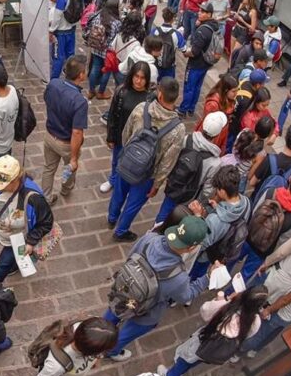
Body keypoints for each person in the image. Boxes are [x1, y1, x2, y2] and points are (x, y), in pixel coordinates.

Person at [103, 216, 213, 362]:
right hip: (147, 312)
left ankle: (101, 332)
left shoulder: (150, 238)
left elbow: (130, 257)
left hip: (124, 290)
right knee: (128, 332)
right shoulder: (178, 277)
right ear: (191, 247)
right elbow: (186, 296)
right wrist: (207, 278)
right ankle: (111, 351)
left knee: (113, 312)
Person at [108, 77, 185, 242]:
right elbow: (167, 163)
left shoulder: (141, 108)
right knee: (133, 205)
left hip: (127, 162)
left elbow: (125, 134)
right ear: (176, 97)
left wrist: (127, 155)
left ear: (160, 94)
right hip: (147, 175)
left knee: (118, 193)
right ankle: (121, 231)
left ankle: (112, 217)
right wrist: (157, 184)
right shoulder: (178, 129)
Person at [158, 287, 268, 376]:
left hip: (205, 339)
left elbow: (204, 311)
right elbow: (248, 335)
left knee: (187, 358)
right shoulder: (255, 321)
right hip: (217, 350)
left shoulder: (227, 306)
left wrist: (220, 300)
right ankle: (180, 372)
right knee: (198, 359)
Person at [0, 155, 53, 281]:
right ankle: (14, 265)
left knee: (3, 264)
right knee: (8, 261)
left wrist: (31, 241)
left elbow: (46, 222)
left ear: (16, 179)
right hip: (2, 233)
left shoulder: (34, 199)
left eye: (4, 185)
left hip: (19, 239)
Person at [230, 165, 291, 287]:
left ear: (289, 179)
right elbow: (283, 241)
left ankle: (217, 280)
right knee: (244, 276)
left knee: (231, 258)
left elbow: (256, 210)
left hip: (248, 235)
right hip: (263, 250)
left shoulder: (271, 191)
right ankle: (227, 297)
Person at [28, 318, 119, 376]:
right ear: (89, 351)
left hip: (68, 375)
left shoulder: (88, 329)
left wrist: (97, 359)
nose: (103, 353)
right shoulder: (56, 366)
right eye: (103, 350)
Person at [155, 111, 227, 225]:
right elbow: (207, 190)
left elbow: (174, 158)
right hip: (190, 196)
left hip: (175, 185)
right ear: (217, 134)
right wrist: (199, 203)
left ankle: (155, 230)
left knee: (165, 210)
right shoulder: (215, 162)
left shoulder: (187, 139)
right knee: (179, 220)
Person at [187, 165, 251, 280]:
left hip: (205, 256)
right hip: (222, 251)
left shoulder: (215, 220)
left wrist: (198, 216)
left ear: (222, 191)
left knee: (193, 275)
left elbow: (200, 244)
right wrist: (219, 207)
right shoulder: (245, 202)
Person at [41, 55, 88, 205]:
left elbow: (46, 100)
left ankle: (46, 197)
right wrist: (74, 158)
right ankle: (66, 189)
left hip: (49, 136)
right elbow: (77, 132)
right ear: (81, 75)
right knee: (70, 167)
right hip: (66, 143)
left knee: (48, 168)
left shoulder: (53, 83)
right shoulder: (79, 101)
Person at [100, 62, 152, 196]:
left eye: (142, 78)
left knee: (132, 164)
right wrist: (110, 136)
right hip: (120, 135)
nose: (138, 81)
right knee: (116, 160)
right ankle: (113, 180)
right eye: (136, 76)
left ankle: (126, 185)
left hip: (138, 140)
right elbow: (112, 115)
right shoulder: (122, 91)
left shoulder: (150, 97)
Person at [177, 2, 221, 117]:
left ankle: (183, 109)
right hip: (206, 63)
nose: (199, 13)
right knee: (197, 87)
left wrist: (184, 52)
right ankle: (191, 108)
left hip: (196, 63)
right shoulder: (213, 26)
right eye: (200, 10)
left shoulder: (202, 31)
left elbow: (194, 52)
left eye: (203, 12)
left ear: (209, 14)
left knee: (189, 87)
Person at [249, 122, 291, 196]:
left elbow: (252, 182)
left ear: (285, 137)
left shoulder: (269, 159)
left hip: (259, 199)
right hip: (276, 204)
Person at [83, 0, 122, 99]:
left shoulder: (97, 16)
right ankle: (100, 92)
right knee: (106, 71)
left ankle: (91, 91)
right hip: (108, 51)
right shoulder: (116, 22)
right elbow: (116, 38)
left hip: (96, 47)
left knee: (95, 68)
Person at [49, 0, 85, 80]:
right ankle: (71, 77)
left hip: (60, 31)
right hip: (72, 28)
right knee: (70, 55)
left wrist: (51, 30)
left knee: (58, 57)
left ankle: (54, 80)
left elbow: (58, 15)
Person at [225, 68, 268, 155]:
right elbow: (243, 117)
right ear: (257, 85)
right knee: (229, 146)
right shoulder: (248, 99)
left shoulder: (245, 83)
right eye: (263, 83)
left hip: (230, 117)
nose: (264, 85)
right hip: (234, 125)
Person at [194, 74, 238, 153]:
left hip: (221, 133)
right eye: (233, 91)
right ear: (226, 90)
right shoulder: (213, 104)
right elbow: (209, 126)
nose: (236, 93)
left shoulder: (227, 99)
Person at [151, 7, 185, 81]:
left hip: (155, 64)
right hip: (170, 67)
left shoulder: (154, 31)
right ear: (173, 19)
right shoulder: (177, 34)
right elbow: (184, 49)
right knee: (167, 88)